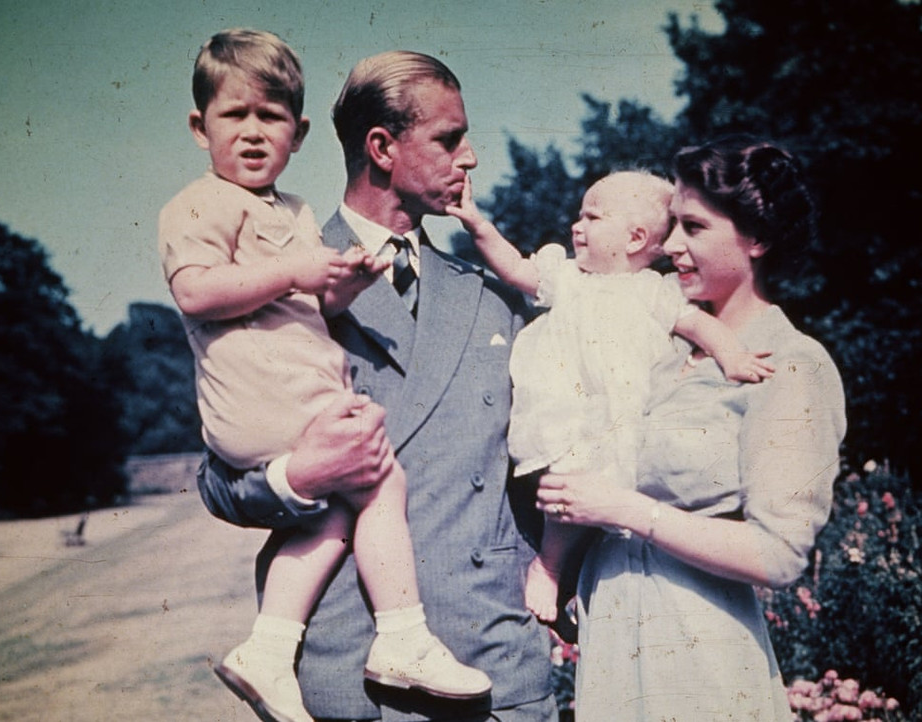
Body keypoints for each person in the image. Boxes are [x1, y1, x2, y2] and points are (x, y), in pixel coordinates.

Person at [196, 50, 558, 721]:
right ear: (382, 147)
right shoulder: (270, 281)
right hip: (347, 677)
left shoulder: (490, 298)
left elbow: (548, 464)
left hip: (490, 668)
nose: (470, 157)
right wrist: (300, 476)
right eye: (449, 139)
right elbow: (219, 479)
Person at [534, 136, 847, 720]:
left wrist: (625, 510)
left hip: (701, 661)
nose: (670, 244)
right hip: (612, 645)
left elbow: (778, 554)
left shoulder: (790, 363)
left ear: (757, 238)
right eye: (671, 225)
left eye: (694, 229)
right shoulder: (658, 350)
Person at [447, 170, 774, 624]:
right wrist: (478, 225)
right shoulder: (568, 278)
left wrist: (733, 355)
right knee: (570, 484)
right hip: (568, 408)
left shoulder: (654, 292)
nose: (576, 226)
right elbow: (517, 269)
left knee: (612, 497)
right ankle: (550, 565)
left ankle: (582, 584)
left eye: (592, 217)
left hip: (623, 415)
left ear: (636, 237)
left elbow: (701, 325)